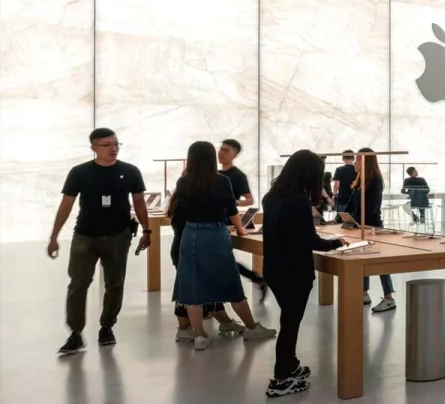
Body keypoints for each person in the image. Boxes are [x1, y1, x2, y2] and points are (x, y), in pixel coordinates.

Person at [49, 128, 152, 356]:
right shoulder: (79, 172)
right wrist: (54, 236)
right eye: (106, 145)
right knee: (78, 284)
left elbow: (139, 202)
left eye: (115, 144)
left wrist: (147, 230)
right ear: (94, 148)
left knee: (114, 284)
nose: (113, 148)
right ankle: (75, 333)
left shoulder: (130, 171)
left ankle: (107, 327)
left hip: (118, 236)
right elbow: (66, 204)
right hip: (85, 236)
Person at [171, 141, 275, 350]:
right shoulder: (221, 180)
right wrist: (241, 229)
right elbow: (231, 210)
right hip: (215, 233)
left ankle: (200, 336)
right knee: (230, 282)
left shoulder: (183, 181)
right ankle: (252, 327)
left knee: (192, 285)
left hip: (190, 234)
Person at [262, 149, 347, 398]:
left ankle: (290, 365)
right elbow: (310, 241)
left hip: (274, 268)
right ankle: (281, 379)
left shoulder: (272, 196)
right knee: (290, 324)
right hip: (294, 271)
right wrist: (337, 243)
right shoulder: (298, 201)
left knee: (288, 320)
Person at [218, 138, 266, 299]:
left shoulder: (238, 176)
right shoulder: (215, 174)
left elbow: (250, 199)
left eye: (226, 150)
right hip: (214, 221)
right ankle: (257, 279)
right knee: (223, 260)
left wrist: (234, 201)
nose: (221, 153)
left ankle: (254, 280)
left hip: (225, 223)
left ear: (235, 155)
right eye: (221, 149)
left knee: (223, 260)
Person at [349, 148, 395, 312]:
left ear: (366, 161)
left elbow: (372, 207)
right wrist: (341, 218)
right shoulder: (360, 180)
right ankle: (364, 293)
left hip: (372, 226)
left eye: (358, 159)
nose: (355, 162)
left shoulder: (375, 180)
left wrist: (358, 221)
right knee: (363, 259)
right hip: (360, 226)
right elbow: (352, 203)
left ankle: (389, 298)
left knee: (380, 262)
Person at [332, 151, 357, 219]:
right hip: (355, 199)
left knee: (341, 220)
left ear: (343, 158)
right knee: (352, 221)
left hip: (343, 198)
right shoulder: (357, 170)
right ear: (354, 158)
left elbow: (336, 185)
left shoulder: (339, 170)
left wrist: (334, 194)